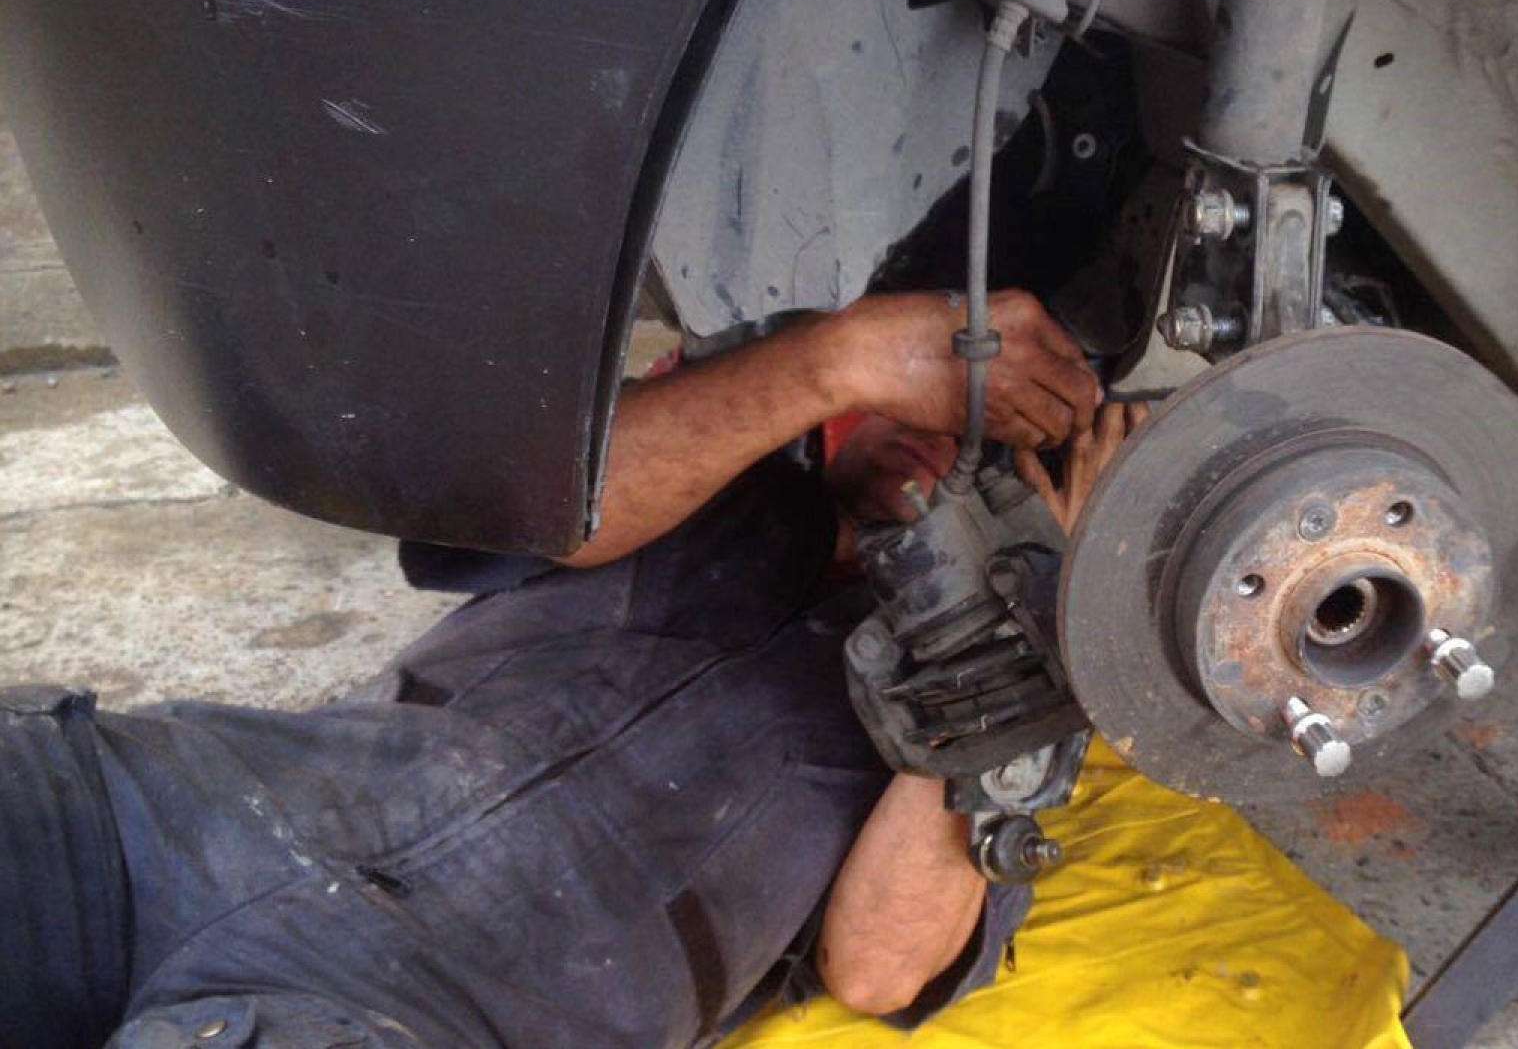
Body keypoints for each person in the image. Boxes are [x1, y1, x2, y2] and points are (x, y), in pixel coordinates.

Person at [0, 289, 1122, 1049]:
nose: (955, 440)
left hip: (430, 1002)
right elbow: (538, 501)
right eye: (954, 398)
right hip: (184, 817)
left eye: (1010, 445)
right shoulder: (720, 479)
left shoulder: (1000, 750)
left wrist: (1026, 636)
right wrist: (836, 359)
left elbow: (879, 966)